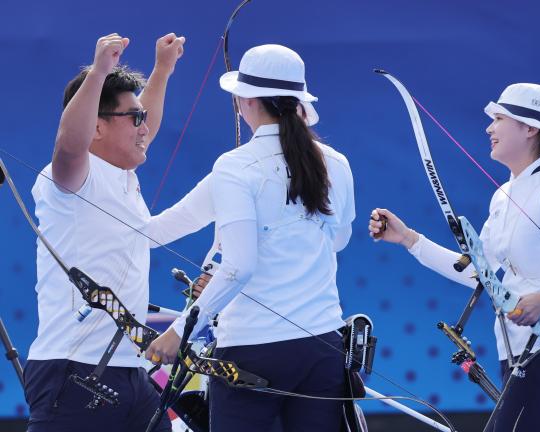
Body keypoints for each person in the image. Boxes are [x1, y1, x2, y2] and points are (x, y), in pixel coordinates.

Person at [368, 83, 540, 431]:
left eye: (499, 118)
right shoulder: (504, 195)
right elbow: (479, 275)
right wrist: (408, 239)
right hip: (517, 356)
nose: (489, 128)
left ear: (531, 128)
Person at [146, 44, 356, 432]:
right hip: (321, 345)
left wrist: (180, 331)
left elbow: (239, 266)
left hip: (250, 351)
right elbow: (338, 240)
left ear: (247, 101)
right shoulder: (335, 163)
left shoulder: (235, 167)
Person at [24, 33, 185, 432]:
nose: (144, 125)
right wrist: (98, 73)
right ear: (96, 128)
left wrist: (162, 70)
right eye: (134, 118)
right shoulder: (71, 176)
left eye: (142, 117)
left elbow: (143, 123)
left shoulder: (123, 176)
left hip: (130, 371)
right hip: (73, 369)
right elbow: (69, 143)